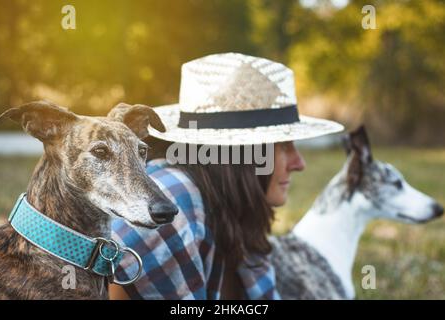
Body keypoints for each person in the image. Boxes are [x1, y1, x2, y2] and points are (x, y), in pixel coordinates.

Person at [109, 52, 343, 299]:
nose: (299, 163)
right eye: (284, 145)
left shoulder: (230, 215)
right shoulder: (173, 198)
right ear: (245, 153)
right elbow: (100, 269)